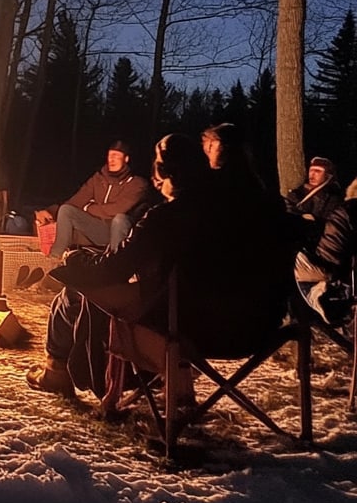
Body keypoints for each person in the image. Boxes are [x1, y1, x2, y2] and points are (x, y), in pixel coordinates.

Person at [27, 133, 293, 413]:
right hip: (261, 328)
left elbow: (114, 269)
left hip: (190, 332)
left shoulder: (168, 217)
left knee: (72, 292)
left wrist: (77, 259)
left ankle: (56, 370)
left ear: (162, 172)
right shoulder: (264, 214)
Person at [36, 139, 152, 256]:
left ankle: (114, 264)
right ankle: (54, 257)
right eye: (110, 155)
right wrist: (50, 211)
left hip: (123, 233)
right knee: (66, 210)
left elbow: (118, 209)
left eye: (116, 156)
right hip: (99, 230)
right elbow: (76, 201)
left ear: (126, 159)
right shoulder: (98, 179)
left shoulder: (137, 184)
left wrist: (88, 208)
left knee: (119, 219)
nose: (111, 159)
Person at [285, 156, 353, 325]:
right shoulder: (296, 195)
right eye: (311, 170)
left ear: (328, 176)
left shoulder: (333, 199)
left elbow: (331, 230)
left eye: (318, 171)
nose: (312, 174)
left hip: (314, 253)